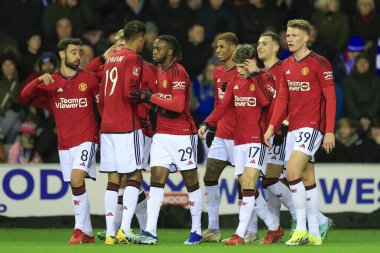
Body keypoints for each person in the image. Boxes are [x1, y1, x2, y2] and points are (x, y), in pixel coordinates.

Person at [199, 44, 283, 246]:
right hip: (239, 142)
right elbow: (222, 107)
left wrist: (255, 74)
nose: (238, 71)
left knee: (248, 184)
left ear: (251, 63)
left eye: (241, 67)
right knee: (250, 189)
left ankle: (239, 234)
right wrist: (206, 123)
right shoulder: (235, 80)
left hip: (257, 140)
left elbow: (265, 101)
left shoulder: (266, 78)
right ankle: (274, 227)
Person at [21, 37, 100, 244]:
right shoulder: (52, 81)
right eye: (73, 52)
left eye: (79, 52)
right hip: (65, 143)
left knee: (76, 180)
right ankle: (89, 233)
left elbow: (103, 102)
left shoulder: (90, 79)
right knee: (77, 186)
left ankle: (78, 230)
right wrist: (39, 79)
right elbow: (24, 94)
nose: (78, 56)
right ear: (62, 55)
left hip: (87, 138)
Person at [264, 19, 336, 246]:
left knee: (292, 171)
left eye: (295, 35)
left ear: (307, 37)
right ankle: (316, 230)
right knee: (306, 176)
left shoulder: (320, 63)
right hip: (293, 128)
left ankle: (301, 228)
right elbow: (282, 98)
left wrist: (329, 131)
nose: (290, 39)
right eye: (288, 35)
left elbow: (330, 98)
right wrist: (272, 126)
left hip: (312, 125)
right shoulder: (286, 65)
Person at [131, 35, 202, 245]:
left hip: (182, 134)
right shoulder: (158, 71)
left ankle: (196, 231)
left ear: (169, 52)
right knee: (156, 181)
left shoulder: (178, 71)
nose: (154, 51)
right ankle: (150, 232)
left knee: (191, 181)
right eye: (153, 47)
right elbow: (163, 102)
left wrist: (149, 97)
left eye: (159, 48)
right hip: (161, 134)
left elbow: (179, 105)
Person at [97, 20, 146, 245]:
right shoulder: (132, 58)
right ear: (140, 38)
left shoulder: (110, 61)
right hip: (127, 125)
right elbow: (130, 91)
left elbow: (103, 98)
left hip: (107, 126)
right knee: (134, 175)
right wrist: (144, 96)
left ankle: (109, 233)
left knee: (113, 179)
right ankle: (124, 230)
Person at [256, 32, 297, 235]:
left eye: (264, 43)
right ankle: (274, 229)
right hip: (265, 134)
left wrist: (284, 125)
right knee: (271, 184)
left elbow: (291, 99)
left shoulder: (284, 69)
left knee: (270, 179)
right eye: (258, 43)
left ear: (275, 48)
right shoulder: (261, 72)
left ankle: (302, 218)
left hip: (282, 132)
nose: (259, 47)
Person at [199, 32, 238, 243]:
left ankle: (251, 229)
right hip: (222, 133)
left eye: (222, 46)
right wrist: (212, 125)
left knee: (248, 184)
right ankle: (213, 228)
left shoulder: (243, 72)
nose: (218, 50)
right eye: (217, 47)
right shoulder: (218, 72)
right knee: (210, 175)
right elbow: (218, 104)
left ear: (233, 47)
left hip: (241, 135)